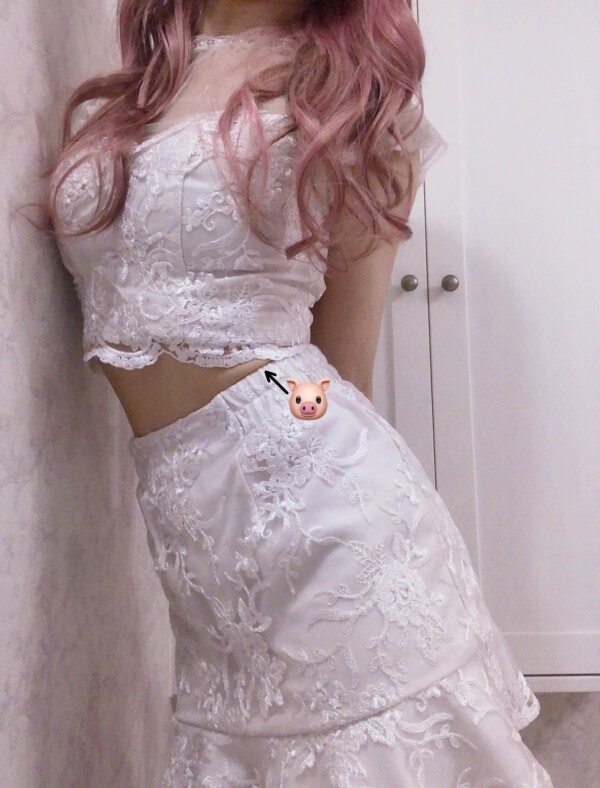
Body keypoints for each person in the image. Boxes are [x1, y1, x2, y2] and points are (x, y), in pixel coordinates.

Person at [43, 0, 554, 784]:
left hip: (327, 531)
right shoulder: (150, 79)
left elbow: (341, 368)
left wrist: (292, 430)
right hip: (201, 558)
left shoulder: (354, 93)